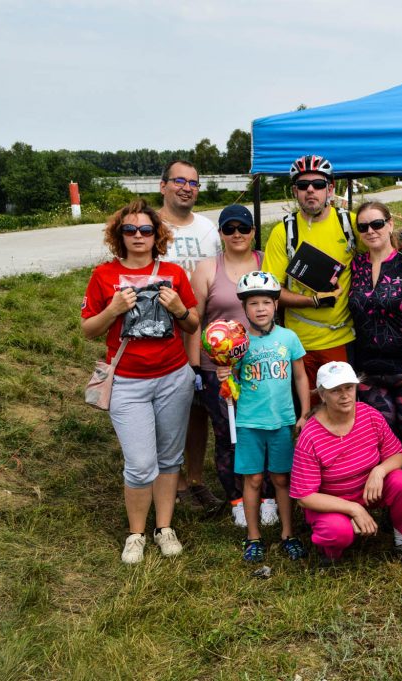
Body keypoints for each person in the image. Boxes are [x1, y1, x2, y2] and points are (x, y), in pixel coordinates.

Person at [80, 198, 198, 564]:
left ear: (156, 234)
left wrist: (179, 309)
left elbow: (192, 323)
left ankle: (164, 528)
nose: (138, 235)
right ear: (119, 235)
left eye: (145, 229)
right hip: (128, 384)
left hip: (172, 378)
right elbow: (87, 330)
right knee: (140, 462)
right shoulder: (103, 276)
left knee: (168, 458)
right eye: (129, 229)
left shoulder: (174, 273)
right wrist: (113, 309)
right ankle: (136, 534)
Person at [290, 362, 402, 572]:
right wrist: (353, 509)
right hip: (332, 503)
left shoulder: (369, 415)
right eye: (335, 390)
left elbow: (400, 455)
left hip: (368, 492)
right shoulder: (310, 435)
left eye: (349, 387)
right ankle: (330, 552)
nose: (344, 395)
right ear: (322, 395)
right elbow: (304, 496)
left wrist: (379, 470)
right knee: (337, 531)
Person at [217, 272, 309, 562]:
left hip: (281, 421)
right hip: (248, 423)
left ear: (276, 305)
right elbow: (231, 383)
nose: (260, 308)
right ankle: (253, 536)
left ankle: (287, 533)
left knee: (282, 479)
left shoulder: (289, 338)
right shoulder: (238, 342)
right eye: (253, 303)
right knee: (254, 479)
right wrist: (224, 374)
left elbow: (300, 376)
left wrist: (304, 412)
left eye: (266, 302)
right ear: (244, 307)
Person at [190, 205, 272, 527]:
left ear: (253, 231)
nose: (237, 234)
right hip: (220, 370)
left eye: (243, 227)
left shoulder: (267, 262)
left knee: (263, 431)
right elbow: (194, 321)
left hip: (262, 365)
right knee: (228, 436)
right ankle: (236, 498)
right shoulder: (207, 268)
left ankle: (266, 496)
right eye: (229, 228)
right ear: (221, 233)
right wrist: (196, 369)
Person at [348, 201, 402, 494]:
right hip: (369, 370)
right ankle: (387, 497)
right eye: (363, 227)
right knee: (381, 436)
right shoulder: (353, 267)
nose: (370, 231)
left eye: (377, 224)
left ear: (390, 224)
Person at [157, 159, 224, 514]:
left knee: (199, 408)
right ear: (163, 185)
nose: (187, 187)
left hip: (202, 328)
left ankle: (196, 479)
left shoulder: (207, 229)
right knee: (168, 410)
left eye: (194, 183)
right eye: (179, 181)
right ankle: (174, 479)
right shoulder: (148, 227)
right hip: (160, 330)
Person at [263, 154, 357, 404]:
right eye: (303, 186)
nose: (311, 191)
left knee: (342, 411)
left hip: (341, 338)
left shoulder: (349, 224)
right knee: (307, 415)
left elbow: (382, 245)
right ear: (295, 191)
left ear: (330, 188)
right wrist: (313, 300)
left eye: (318, 184)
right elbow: (270, 292)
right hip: (298, 343)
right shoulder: (284, 231)